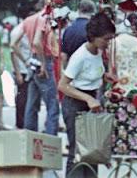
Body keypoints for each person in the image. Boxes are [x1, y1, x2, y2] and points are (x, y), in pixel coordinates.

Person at [58, 13, 116, 178]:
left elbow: (90, 73)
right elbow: (62, 85)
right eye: (106, 39)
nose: (107, 42)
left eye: (110, 39)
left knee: (92, 151)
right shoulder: (80, 56)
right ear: (93, 37)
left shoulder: (97, 52)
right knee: (77, 152)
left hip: (90, 102)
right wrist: (88, 99)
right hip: (75, 104)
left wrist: (105, 76)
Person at [16, 3, 60, 134]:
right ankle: (51, 138)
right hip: (43, 59)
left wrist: (26, 61)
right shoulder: (44, 19)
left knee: (32, 103)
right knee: (52, 104)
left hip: (33, 60)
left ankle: (30, 135)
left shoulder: (28, 20)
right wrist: (43, 64)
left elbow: (13, 43)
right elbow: (36, 42)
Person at [61, 0, 96, 68]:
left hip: (71, 70)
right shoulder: (94, 30)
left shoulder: (68, 30)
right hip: (88, 69)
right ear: (92, 12)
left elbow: (63, 55)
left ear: (79, 10)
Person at [10, 22, 32, 129]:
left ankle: (24, 121)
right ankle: (20, 122)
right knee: (22, 96)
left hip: (27, 68)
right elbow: (13, 52)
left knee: (26, 96)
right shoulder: (18, 31)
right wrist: (18, 72)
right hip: (21, 68)